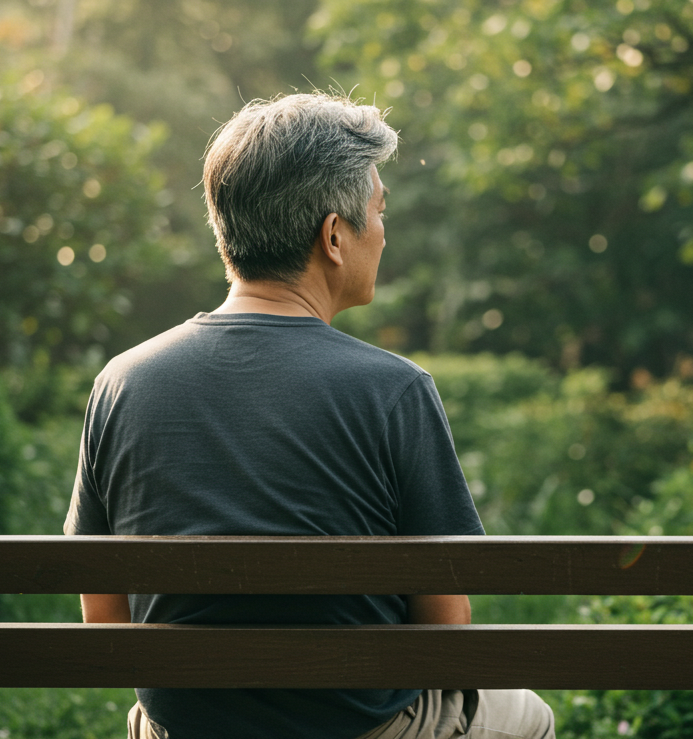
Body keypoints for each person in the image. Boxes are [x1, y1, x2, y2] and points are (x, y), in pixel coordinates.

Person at [63, 93, 555, 739]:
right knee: (530, 716)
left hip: (187, 732)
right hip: (364, 729)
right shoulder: (394, 390)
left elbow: (105, 619)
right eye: (378, 213)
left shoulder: (122, 382)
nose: (383, 232)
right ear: (332, 236)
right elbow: (444, 631)